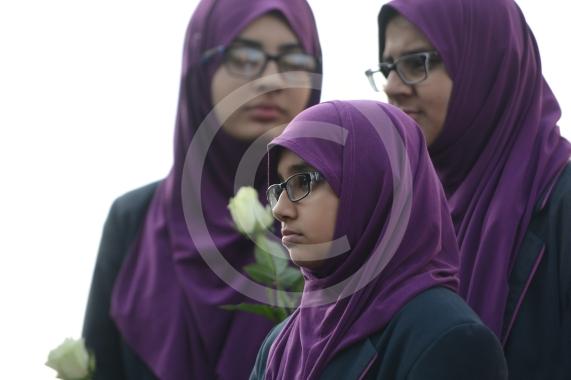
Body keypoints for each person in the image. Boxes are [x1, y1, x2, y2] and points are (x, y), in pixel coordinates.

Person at [82, 0, 322, 379]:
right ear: (199, 68)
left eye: (294, 60)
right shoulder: (134, 221)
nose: (272, 79)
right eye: (245, 56)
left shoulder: (340, 213)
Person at [367, 0, 571, 378]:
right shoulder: (407, 216)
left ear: (484, 64)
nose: (392, 87)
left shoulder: (560, 206)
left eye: (416, 64)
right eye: (387, 68)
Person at [250, 100, 508, 379]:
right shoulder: (281, 343)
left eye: (304, 181)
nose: (280, 210)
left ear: (371, 184)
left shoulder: (448, 338)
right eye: (279, 188)